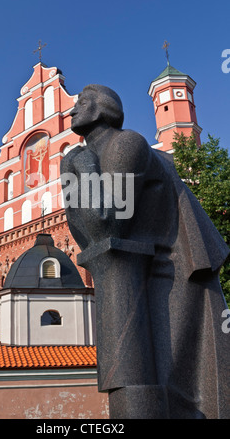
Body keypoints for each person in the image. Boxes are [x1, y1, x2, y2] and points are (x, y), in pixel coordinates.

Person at [60, 84, 230, 419]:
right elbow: (91, 240)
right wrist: (75, 168)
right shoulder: (83, 156)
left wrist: (80, 167)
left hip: (172, 277)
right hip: (135, 275)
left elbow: (109, 224)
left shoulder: (126, 144)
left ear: (101, 109)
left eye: (81, 103)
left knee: (177, 389)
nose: (72, 109)